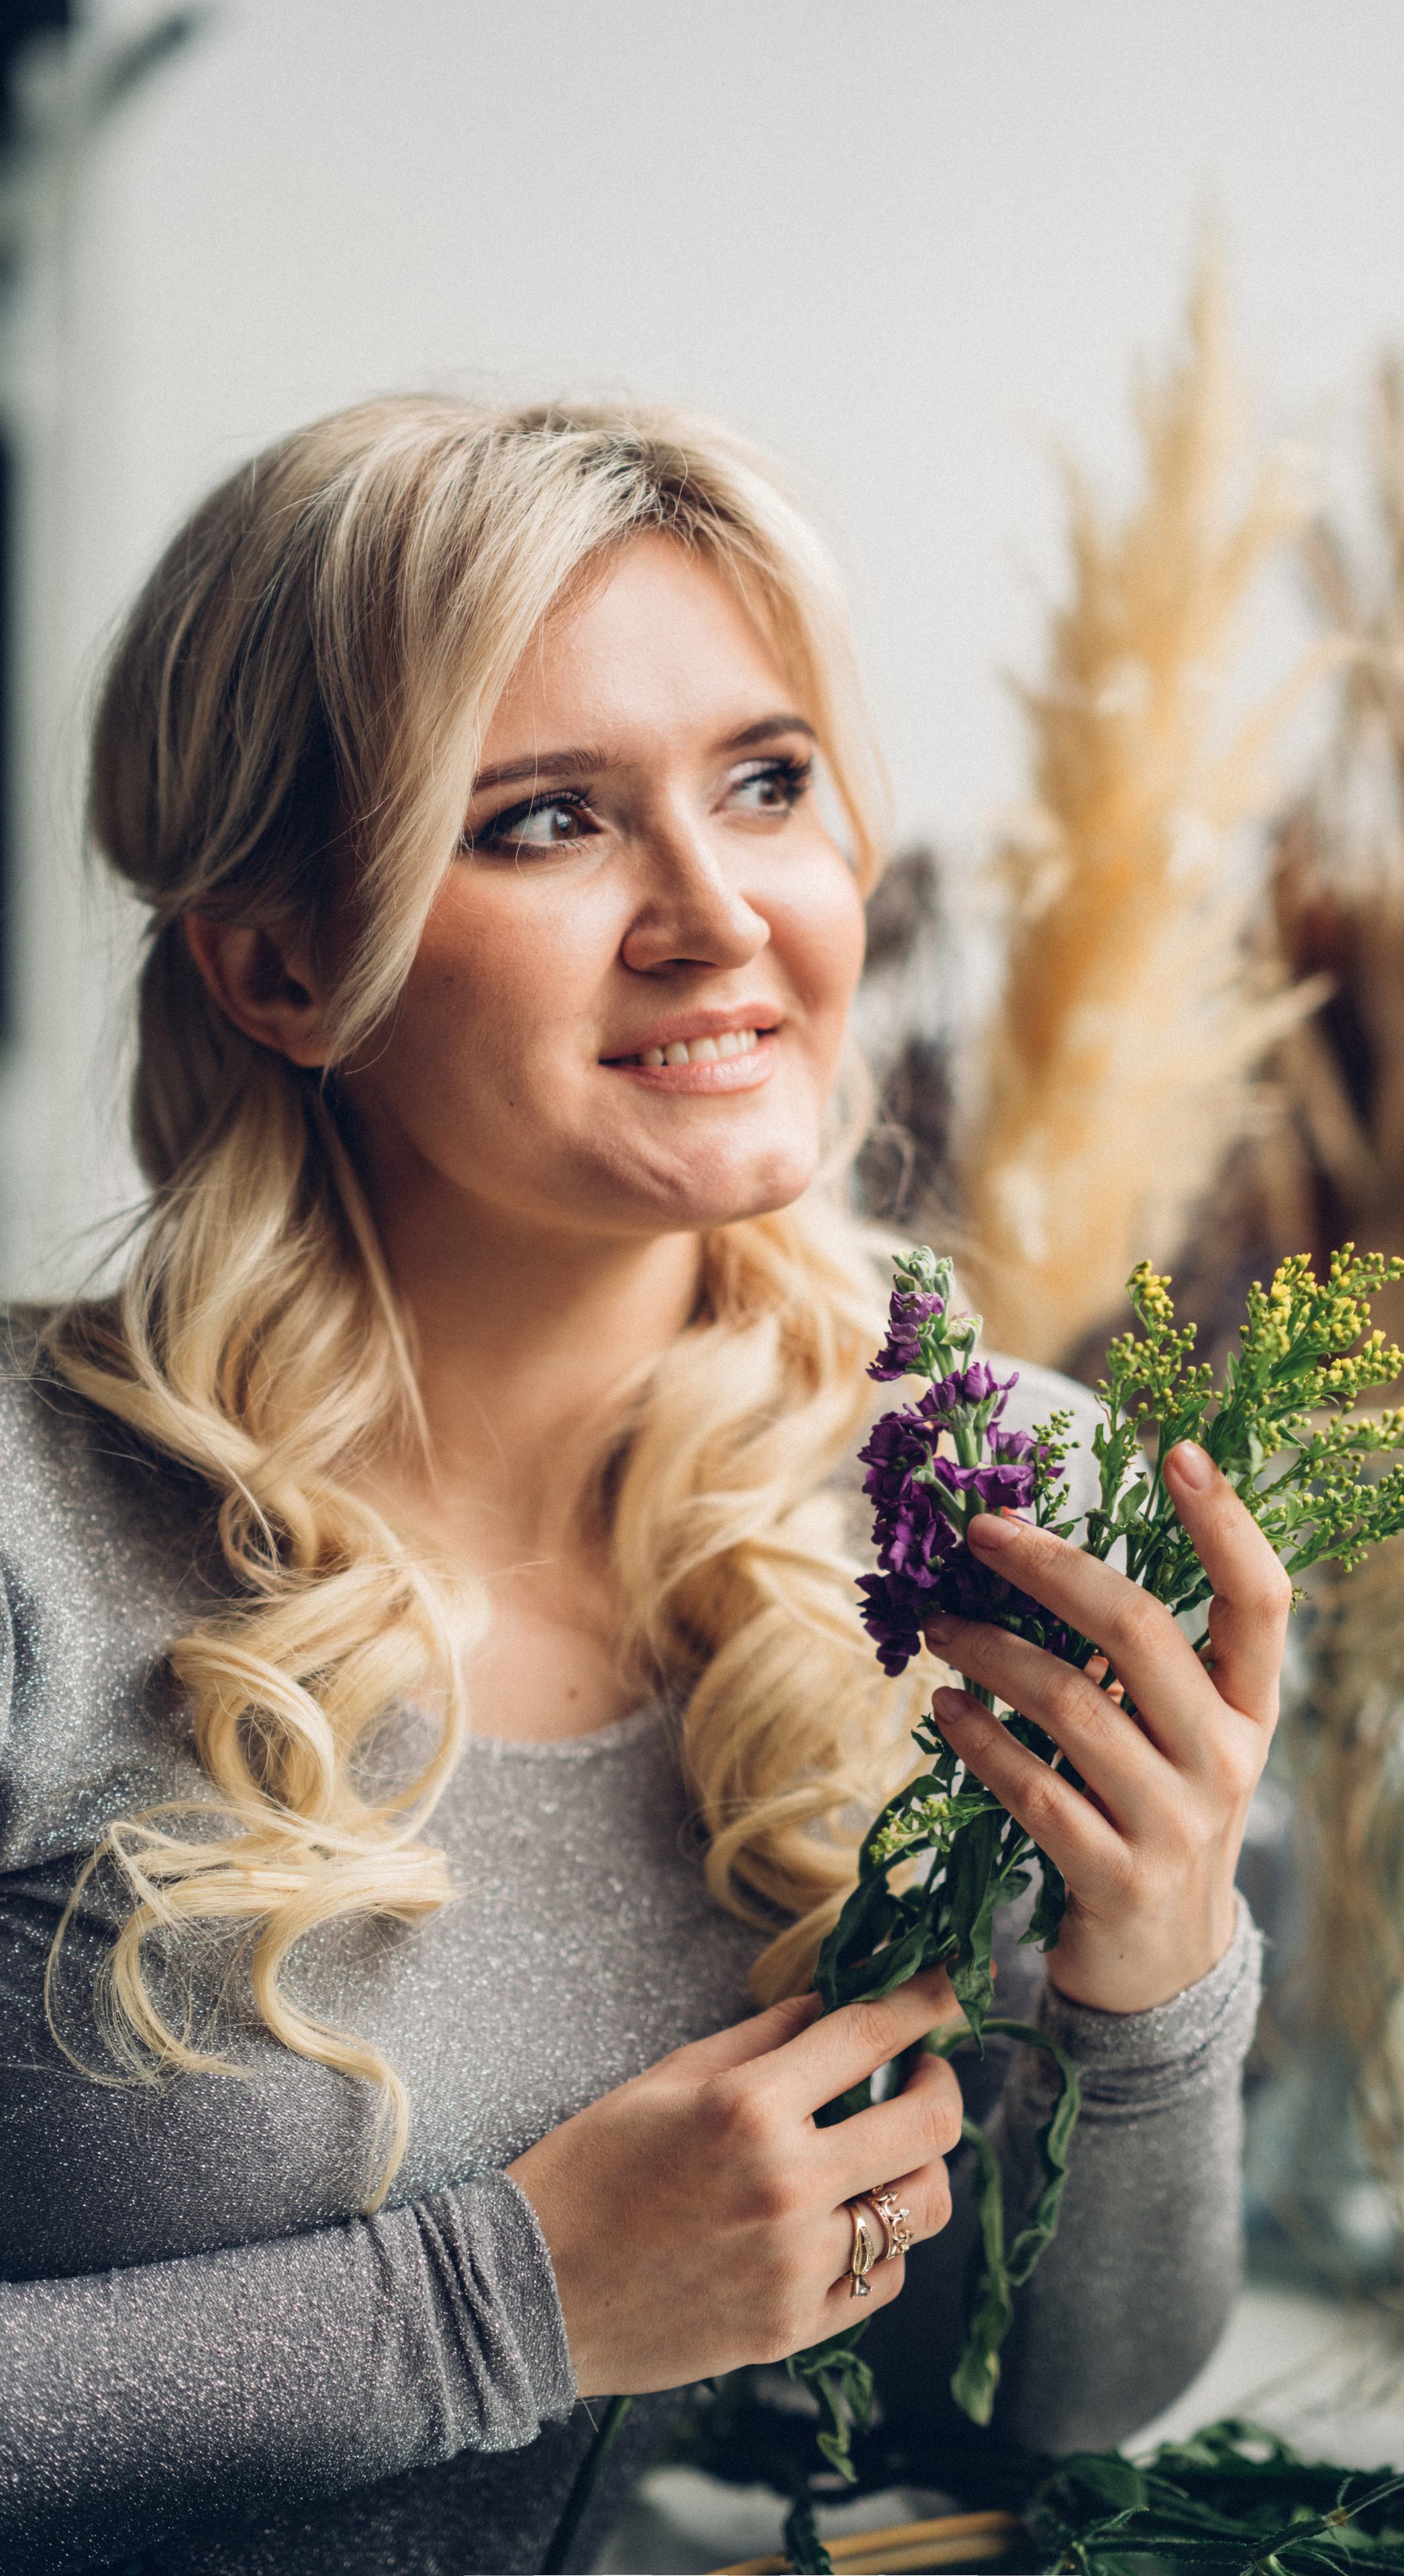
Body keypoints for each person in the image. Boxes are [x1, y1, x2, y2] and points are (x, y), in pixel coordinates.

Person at [0, 397, 1289, 2575]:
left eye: (768, 784)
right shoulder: (36, 1540)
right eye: (543, 823)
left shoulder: (992, 1500)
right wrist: (506, 2306)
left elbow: (1049, 2404)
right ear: (284, 964)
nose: (717, 917)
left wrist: (1154, 1972)